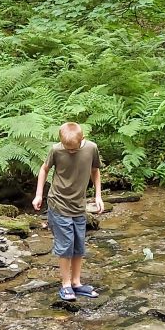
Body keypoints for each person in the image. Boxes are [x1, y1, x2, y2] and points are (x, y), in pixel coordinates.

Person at [32, 122, 103, 301]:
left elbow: (95, 171)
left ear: (83, 139)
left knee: (79, 245)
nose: (70, 151)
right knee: (65, 246)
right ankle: (65, 284)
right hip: (58, 203)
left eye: (74, 149)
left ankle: (76, 283)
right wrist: (39, 194)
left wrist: (98, 196)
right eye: (67, 148)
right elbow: (44, 169)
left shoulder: (91, 148)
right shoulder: (56, 150)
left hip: (79, 205)